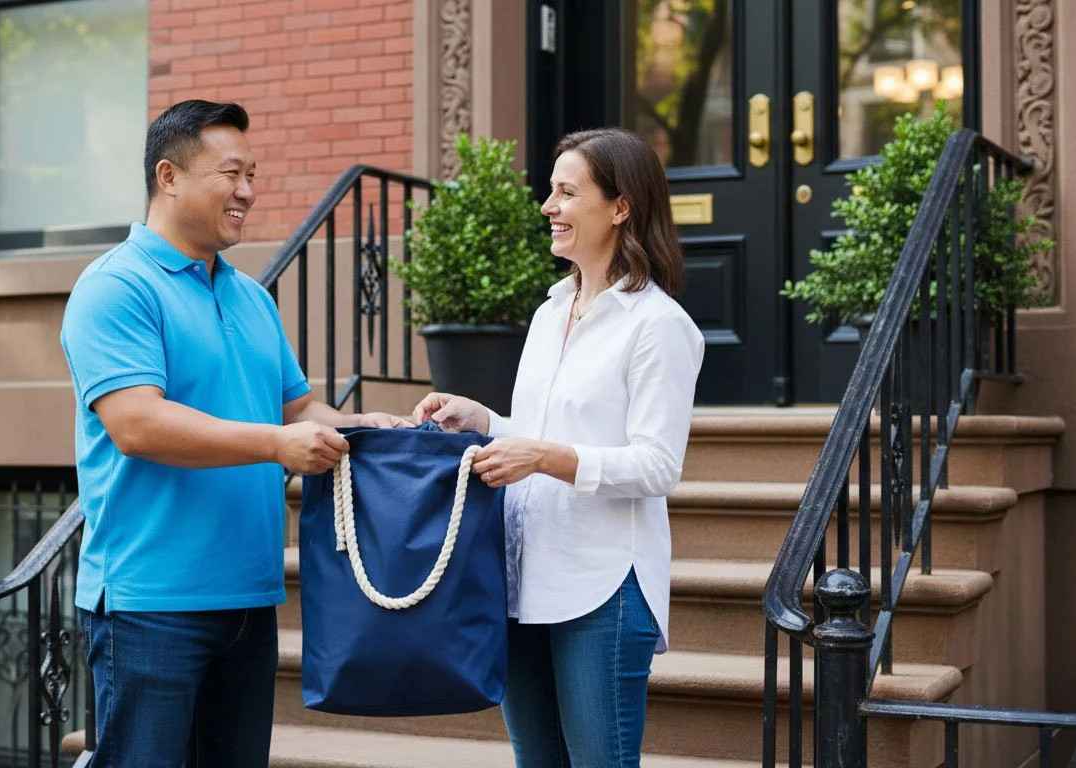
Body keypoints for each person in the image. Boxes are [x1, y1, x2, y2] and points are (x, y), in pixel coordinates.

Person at [60, 99, 409, 768]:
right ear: (168, 176)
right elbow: (136, 423)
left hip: (248, 596)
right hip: (152, 602)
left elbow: (298, 410)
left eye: (253, 173)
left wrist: (371, 428)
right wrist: (276, 447)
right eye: (230, 173)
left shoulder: (250, 296)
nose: (247, 190)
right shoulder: (115, 287)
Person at [411, 126, 705, 767]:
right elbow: (542, 428)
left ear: (620, 206)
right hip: (522, 574)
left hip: (603, 584)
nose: (548, 207)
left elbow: (657, 465)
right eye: (551, 192)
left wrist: (542, 457)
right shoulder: (550, 311)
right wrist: (484, 419)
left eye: (566, 193)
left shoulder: (659, 325)